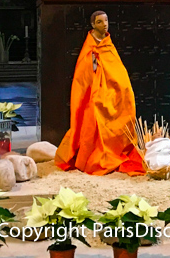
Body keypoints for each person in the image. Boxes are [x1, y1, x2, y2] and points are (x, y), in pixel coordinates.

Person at [55, 11, 145, 176]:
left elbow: (117, 69)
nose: (104, 24)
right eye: (99, 22)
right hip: (94, 92)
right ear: (93, 25)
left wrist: (121, 88)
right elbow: (83, 75)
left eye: (106, 20)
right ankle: (94, 155)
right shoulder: (89, 47)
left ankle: (116, 150)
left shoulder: (108, 44)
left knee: (125, 104)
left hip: (113, 90)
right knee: (95, 113)